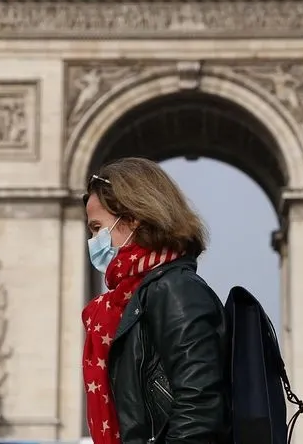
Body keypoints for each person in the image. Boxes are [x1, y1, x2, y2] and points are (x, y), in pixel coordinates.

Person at [81, 157, 229, 444]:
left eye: (98, 227)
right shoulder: (130, 298)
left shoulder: (176, 291)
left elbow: (198, 409)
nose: (94, 240)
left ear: (132, 219)